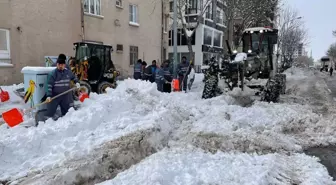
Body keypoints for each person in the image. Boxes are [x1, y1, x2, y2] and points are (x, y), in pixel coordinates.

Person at [45, 54, 80, 120]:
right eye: (59, 64)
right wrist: (48, 95)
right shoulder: (53, 73)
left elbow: (74, 77)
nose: (60, 66)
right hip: (55, 96)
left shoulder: (68, 72)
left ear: (64, 65)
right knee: (50, 112)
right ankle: (46, 123)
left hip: (65, 96)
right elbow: (49, 85)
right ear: (57, 64)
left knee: (67, 112)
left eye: (62, 64)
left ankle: (65, 123)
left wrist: (77, 82)